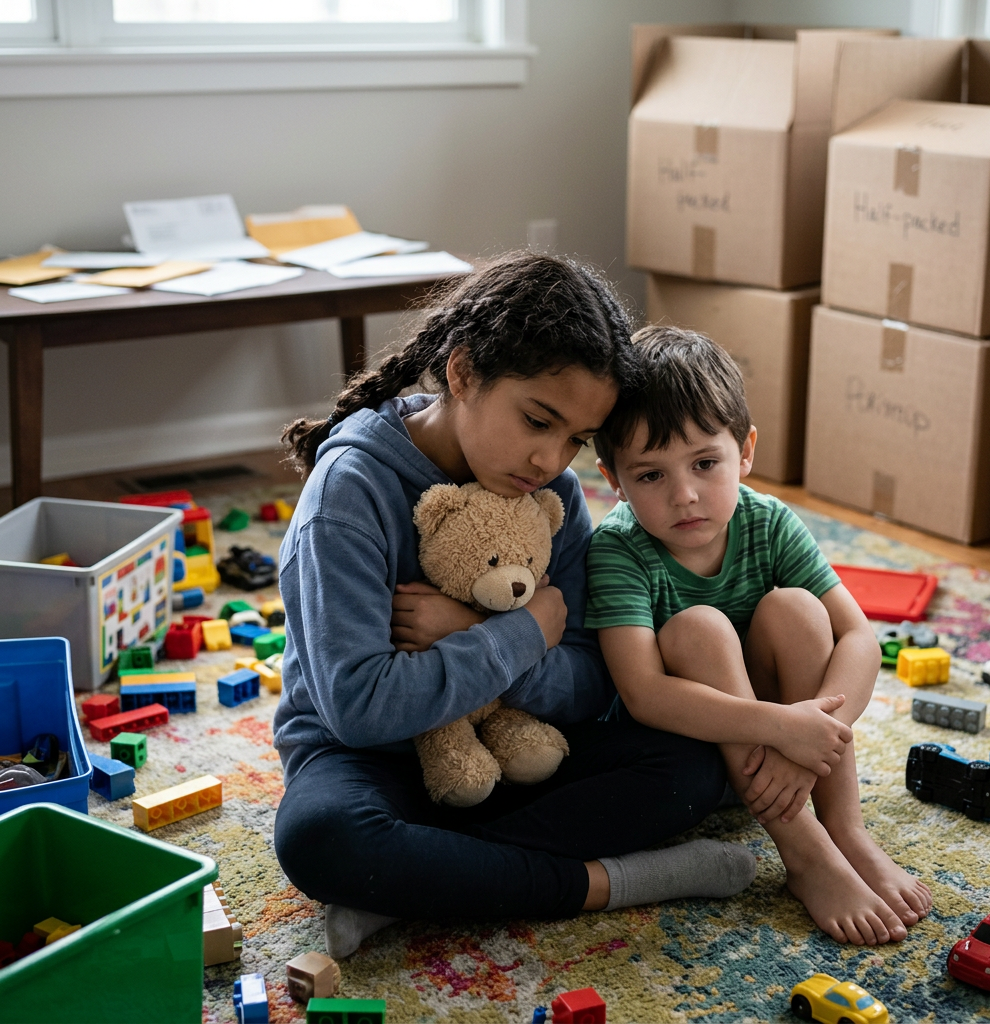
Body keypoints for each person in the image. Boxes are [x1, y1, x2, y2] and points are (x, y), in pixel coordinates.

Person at [272, 254, 756, 960]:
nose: (549, 459)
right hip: (371, 761)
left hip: (514, 746)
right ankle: (609, 883)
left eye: (574, 440)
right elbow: (359, 709)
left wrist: (477, 630)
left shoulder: (552, 495)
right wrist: (521, 635)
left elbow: (591, 678)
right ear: (463, 373)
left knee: (691, 766)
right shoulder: (350, 494)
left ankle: (416, 883)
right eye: (538, 420)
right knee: (321, 840)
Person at [587, 326, 933, 947]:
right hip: (693, 757)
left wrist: (811, 739)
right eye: (650, 476)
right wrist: (781, 728)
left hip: (791, 758)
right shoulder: (617, 549)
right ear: (613, 478)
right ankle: (808, 857)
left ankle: (845, 828)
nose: (685, 495)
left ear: (745, 451)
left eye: (704, 464)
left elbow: (857, 635)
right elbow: (643, 693)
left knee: (798, 610)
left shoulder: (767, 520)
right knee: (699, 628)